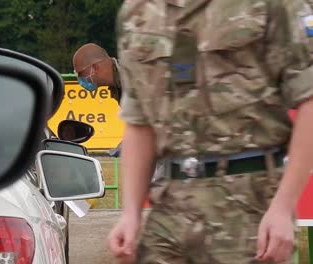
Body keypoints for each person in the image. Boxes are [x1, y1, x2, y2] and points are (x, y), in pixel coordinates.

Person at [107, 0, 313, 263]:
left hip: (248, 212)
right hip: (170, 211)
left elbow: (310, 101)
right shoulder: (137, 12)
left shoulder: (272, 5)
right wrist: (131, 213)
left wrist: (283, 207)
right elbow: (139, 122)